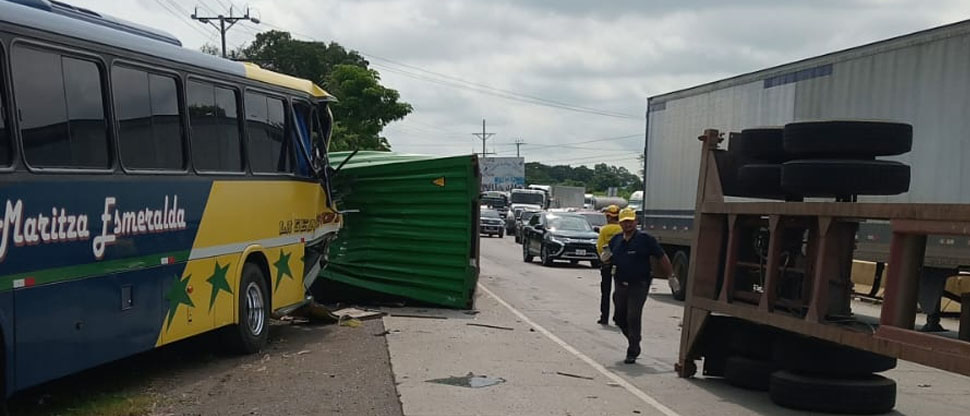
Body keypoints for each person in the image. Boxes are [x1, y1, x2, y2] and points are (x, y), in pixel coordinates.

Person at [608, 207, 673, 364]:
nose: (628, 224)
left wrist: (671, 276)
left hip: (639, 284)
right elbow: (608, 257)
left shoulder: (645, 239)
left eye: (630, 221)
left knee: (633, 316)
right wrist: (605, 259)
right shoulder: (615, 240)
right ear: (620, 223)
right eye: (624, 222)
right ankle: (633, 336)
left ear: (636, 222)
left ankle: (633, 348)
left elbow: (661, 256)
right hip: (620, 283)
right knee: (619, 317)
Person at [596, 205, 623, 325]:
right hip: (621, 265)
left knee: (605, 292)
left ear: (609, 216)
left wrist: (604, 259)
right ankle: (618, 317)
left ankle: (604, 317)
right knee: (620, 292)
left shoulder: (605, 230)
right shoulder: (622, 230)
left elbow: (599, 247)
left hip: (606, 264)